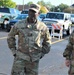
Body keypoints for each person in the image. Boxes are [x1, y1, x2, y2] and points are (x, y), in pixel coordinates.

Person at [7, 3, 51, 75]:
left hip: (34, 60)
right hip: (20, 57)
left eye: (34, 12)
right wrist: (13, 51)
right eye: (30, 11)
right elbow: (10, 36)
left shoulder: (42, 27)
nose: (31, 13)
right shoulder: (19, 24)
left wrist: (42, 53)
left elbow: (47, 41)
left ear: (38, 13)